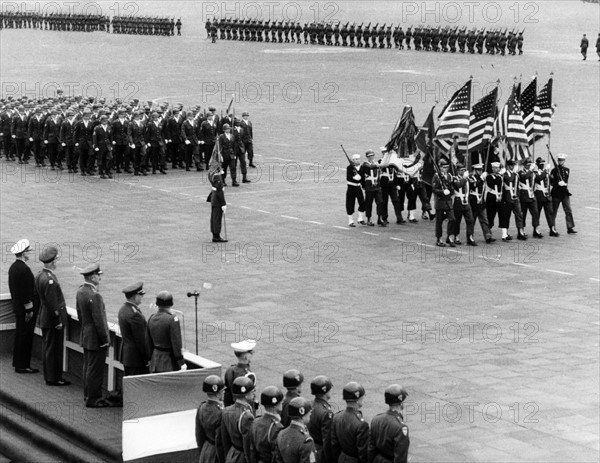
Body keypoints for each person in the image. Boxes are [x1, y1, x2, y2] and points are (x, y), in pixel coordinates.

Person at [34, 246, 70, 386]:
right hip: (51, 320)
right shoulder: (49, 280)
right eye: (55, 260)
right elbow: (52, 303)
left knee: (49, 348)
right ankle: (54, 378)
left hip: (45, 318)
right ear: (51, 262)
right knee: (54, 350)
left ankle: (50, 376)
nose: (56, 262)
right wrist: (57, 320)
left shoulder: (39, 276)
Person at [75, 263, 110, 407]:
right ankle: (94, 398)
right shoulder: (95, 296)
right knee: (95, 370)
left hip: (86, 335)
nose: (99, 277)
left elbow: (80, 315)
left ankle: (87, 395)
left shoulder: (81, 291)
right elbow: (100, 321)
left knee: (88, 367)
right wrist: (105, 340)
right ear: (92, 276)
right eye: (98, 275)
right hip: (96, 338)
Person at [8, 239, 39, 374]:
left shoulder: (13, 268)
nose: (29, 254)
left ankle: (17, 362)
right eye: (28, 251)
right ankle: (23, 365)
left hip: (17, 307)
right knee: (25, 337)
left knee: (20, 335)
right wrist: (29, 309)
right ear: (23, 253)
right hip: (25, 308)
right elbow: (26, 292)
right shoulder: (24, 270)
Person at [146, 291, 186, 373]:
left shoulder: (151, 318)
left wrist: (150, 358)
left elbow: (148, 342)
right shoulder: (172, 319)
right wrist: (181, 362)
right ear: (171, 304)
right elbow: (176, 343)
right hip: (168, 362)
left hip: (155, 360)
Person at [368, 384, 410, 463]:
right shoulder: (400, 427)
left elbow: (371, 448)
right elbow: (400, 457)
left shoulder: (376, 419)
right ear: (401, 403)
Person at [331, 381, 369, 462]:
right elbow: (363, 453)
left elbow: (334, 445)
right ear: (358, 400)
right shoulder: (362, 424)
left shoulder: (337, 417)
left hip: (342, 458)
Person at [221, 376, 256, 462]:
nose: (254, 394)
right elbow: (248, 446)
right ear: (246, 395)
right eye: (252, 392)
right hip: (242, 458)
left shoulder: (226, 411)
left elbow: (224, 439)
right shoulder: (247, 417)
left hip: (231, 454)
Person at [117, 281, 149, 376]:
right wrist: (147, 358)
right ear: (135, 297)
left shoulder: (123, 309)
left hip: (128, 356)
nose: (142, 297)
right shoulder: (135, 315)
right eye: (140, 295)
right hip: (136, 359)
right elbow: (141, 340)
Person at [274, 397, 316, 463]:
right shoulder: (306, 441)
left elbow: (278, 460)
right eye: (309, 412)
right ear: (302, 414)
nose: (310, 414)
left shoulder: (281, 434)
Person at [250, 385, 284, 463]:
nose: (282, 403)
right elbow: (276, 457)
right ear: (275, 405)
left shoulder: (256, 421)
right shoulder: (277, 427)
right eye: (280, 401)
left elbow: (252, 451)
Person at [196, 375, 226, 463]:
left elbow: (199, 434)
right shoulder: (220, 413)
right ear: (218, 393)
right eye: (222, 391)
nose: (224, 392)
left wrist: (202, 451)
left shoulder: (201, 407)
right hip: (216, 454)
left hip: (205, 449)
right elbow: (219, 441)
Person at [307, 375, 334, 463]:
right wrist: (329, 459)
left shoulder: (309, 404)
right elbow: (327, 440)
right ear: (325, 391)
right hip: (320, 453)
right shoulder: (326, 413)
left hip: (310, 447)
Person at [224, 339, 257, 407]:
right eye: (251, 352)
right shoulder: (248, 375)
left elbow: (227, 392)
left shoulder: (230, 369)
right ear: (246, 357)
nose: (253, 354)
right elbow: (249, 396)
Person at [500, 159, 526, 241]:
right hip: (507, 198)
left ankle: (520, 231)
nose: (512, 167)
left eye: (513, 165)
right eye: (511, 165)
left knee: (519, 214)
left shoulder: (516, 174)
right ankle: (505, 233)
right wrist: (514, 173)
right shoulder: (505, 174)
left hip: (515, 197)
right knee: (506, 215)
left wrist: (518, 195)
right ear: (507, 166)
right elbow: (510, 179)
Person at [432, 159, 456, 247]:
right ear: (440, 168)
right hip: (440, 202)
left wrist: (452, 193)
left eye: (447, 167)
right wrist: (442, 191)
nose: (446, 169)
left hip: (448, 202)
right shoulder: (436, 176)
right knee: (439, 222)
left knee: (452, 219)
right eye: (444, 167)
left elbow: (451, 187)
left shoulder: (449, 176)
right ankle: (439, 239)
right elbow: (434, 189)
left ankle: (449, 237)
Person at [469, 164, 495, 244]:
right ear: (475, 170)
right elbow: (473, 185)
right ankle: (470, 237)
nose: (480, 171)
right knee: (472, 221)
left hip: (481, 202)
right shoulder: (471, 178)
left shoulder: (483, 178)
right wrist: (481, 179)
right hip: (474, 202)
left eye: (481, 170)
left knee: (485, 220)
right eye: (479, 170)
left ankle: (488, 236)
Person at [550, 153, 577, 234]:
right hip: (556, 193)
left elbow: (566, 180)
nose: (560, 161)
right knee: (554, 211)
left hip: (565, 193)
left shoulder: (567, 170)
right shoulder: (554, 170)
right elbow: (551, 182)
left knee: (568, 210)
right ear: (557, 161)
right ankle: (552, 228)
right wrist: (557, 183)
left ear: (564, 161)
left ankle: (570, 227)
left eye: (562, 160)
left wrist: (564, 184)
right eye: (559, 160)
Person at [451, 163, 477, 246]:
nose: (463, 171)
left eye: (464, 170)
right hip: (458, 201)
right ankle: (456, 236)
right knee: (457, 220)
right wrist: (465, 178)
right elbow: (458, 185)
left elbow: (473, 186)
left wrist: (475, 181)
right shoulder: (455, 178)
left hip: (466, 201)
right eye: (461, 170)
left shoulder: (467, 178)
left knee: (470, 220)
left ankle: (470, 237)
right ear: (457, 171)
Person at [534, 157, 559, 237]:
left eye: (543, 164)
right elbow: (539, 178)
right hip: (539, 194)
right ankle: (536, 230)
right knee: (537, 213)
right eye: (540, 164)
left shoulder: (546, 173)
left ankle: (552, 229)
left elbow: (550, 183)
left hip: (547, 195)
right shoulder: (535, 173)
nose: (542, 166)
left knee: (550, 213)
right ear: (537, 165)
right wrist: (546, 170)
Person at [518, 158, 542, 238]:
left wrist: (543, 170)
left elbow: (540, 178)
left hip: (532, 195)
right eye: (527, 165)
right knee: (523, 214)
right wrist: (531, 170)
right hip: (524, 195)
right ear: (524, 165)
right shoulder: (521, 172)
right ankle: (521, 231)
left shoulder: (532, 172)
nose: (528, 166)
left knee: (535, 212)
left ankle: (536, 230)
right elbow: (524, 177)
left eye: (530, 165)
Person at [360, 150, 382, 226]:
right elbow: (362, 176)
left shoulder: (376, 163)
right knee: (369, 203)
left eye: (372, 155)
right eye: (369, 156)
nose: (371, 157)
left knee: (380, 202)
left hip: (377, 185)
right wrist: (363, 185)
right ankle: (369, 219)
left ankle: (380, 218)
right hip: (369, 186)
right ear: (367, 157)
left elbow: (379, 174)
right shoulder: (365, 165)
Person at [346, 154, 366, 227]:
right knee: (350, 204)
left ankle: (360, 219)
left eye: (358, 159)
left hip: (358, 188)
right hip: (351, 188)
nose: (358, 160)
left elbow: (363, 178)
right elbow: (348, 178)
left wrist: (364, 185)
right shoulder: (349, 168)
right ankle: (350, 220)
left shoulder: (362, 167)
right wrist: (354, 178)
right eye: (356, 159)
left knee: (362, 202)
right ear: (353, 160)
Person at [209, 172, 228, 243]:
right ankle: (216, 236)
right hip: (217, 198)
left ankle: (215, 235)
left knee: (214, 217)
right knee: (217, 217)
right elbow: (219, 190)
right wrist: (223, 204)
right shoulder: (217, 176)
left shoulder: (211, 173)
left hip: (214, 197)